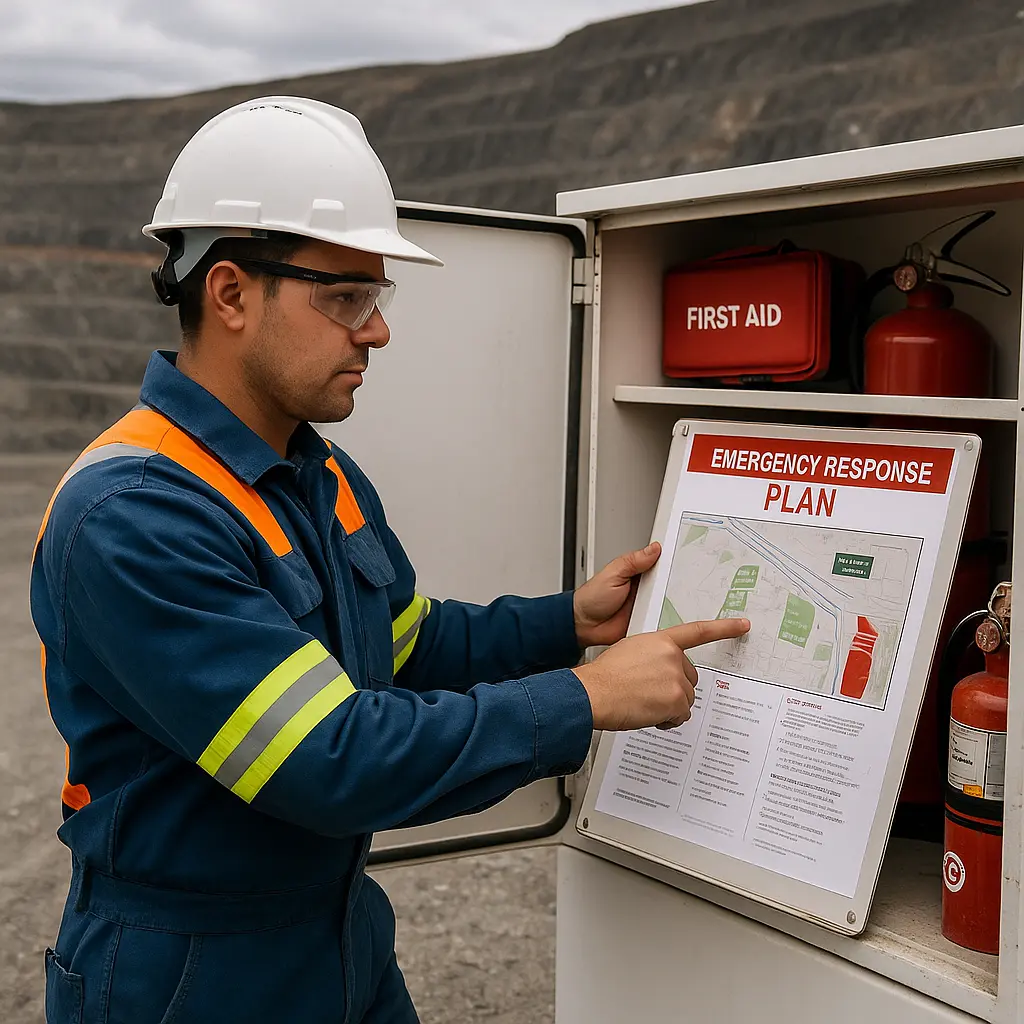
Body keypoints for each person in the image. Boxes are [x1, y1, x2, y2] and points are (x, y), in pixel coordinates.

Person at [30, 96, 749, 1023]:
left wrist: (566, 623)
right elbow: (329, 760)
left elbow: (401, 645)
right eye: (345, 298)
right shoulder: (133, 516)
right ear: (232, 294)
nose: (376, 330)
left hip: (337, 935)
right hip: (189, 973)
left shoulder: (315, 470)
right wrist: (589, 698)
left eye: (376, 298)